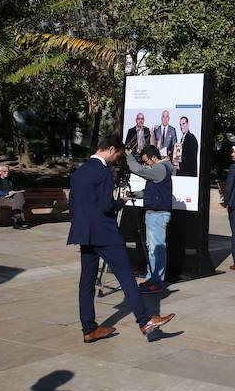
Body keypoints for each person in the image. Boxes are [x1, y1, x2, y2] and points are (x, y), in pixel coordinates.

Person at [68, 135, 175, 342]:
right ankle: (145, 320)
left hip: (84, 233)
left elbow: (73, 205)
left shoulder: (79, 172)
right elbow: (106, 206)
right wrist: (120, 202)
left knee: (86, 282)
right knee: (126, 276)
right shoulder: (103, 172)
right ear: (110, 149)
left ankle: (89, 328)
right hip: (105, 233)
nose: (116, 159)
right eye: (117, 155)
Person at [126, 145, 173, 294]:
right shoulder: (159, 169)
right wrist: (133, 194)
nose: (146, 165)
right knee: (153, 249)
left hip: (157, 215)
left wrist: (129, 156)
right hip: (155, 214)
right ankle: (151, 279)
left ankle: (156, 281)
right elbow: (150, 192)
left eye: (147, 162)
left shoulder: (160, 168)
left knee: (156, 249)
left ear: (154, 157)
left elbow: (138, 170)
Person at [0, 165, 29, 229]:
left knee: (19, 195)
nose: (7, 173)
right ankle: (17, 222)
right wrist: (7, 193)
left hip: (9, 197)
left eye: (8, 171)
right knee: (18, 202)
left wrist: (13, 192)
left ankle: (16, 215)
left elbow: (11, 190)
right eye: (4, 171)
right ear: (0, 172)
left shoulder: (9, 180)